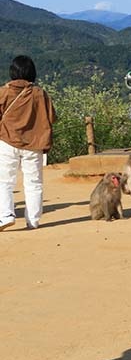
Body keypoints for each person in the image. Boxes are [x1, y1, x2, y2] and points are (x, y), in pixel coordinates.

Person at [0, 55, 56, 230]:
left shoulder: (4, 92)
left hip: (7, 141)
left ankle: (6, 215)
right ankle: (33, 220)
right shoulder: (40, 94)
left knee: (4, 182)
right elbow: (52, 117)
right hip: (34, 144)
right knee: (34, 183)